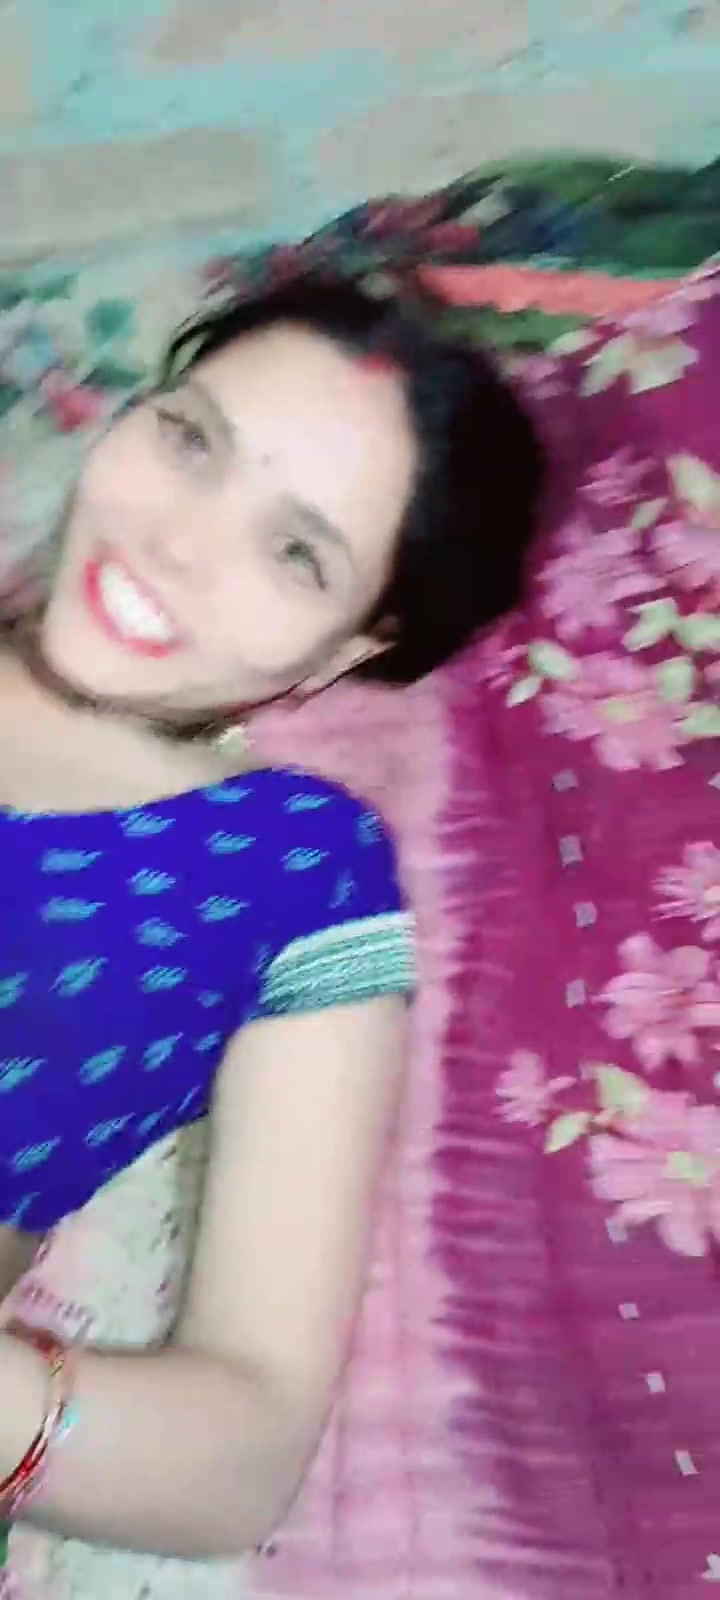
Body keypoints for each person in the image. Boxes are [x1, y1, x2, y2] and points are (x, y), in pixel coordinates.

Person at [0, 271, 543, 1561]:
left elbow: (241, 1456)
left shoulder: (294, 869)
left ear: (355, 646)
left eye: (296, 551)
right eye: (190, 440)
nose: (175, 543)